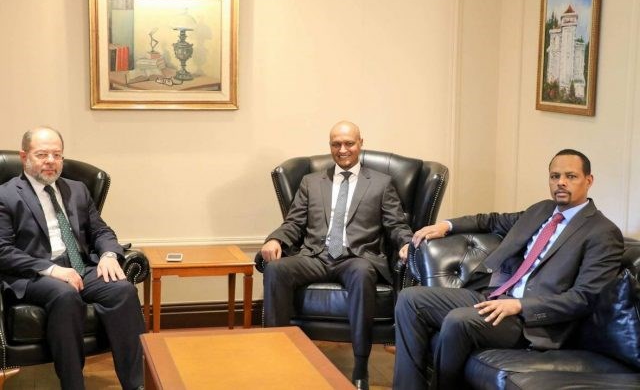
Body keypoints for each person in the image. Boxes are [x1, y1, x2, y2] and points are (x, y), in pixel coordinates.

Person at [393, 149, 624, 390]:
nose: (561, 182)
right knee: (410, 299)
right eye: (555, 176)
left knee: (459, 320)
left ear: (589, 180)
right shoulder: (542, 210)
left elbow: (585, 298)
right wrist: (446, 225)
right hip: (494, 295)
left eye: (571, 176)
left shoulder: (602, 232)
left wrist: (519, 305)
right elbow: (491, 220)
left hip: (530, 320)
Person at [261, 121, 412, 389]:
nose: (342, 150)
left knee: (362, 272)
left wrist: (407, 244)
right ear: (330, 146)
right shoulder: (311, 182)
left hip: (356, 258)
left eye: (349, 143)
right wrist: (275, 239)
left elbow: (396, 225)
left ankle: (361, 367)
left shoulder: (381, 183)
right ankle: (278, 356)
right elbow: (294, 223)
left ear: (360, 143)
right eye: (336, 144)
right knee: (275, 269)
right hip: (315, 256)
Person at [0, 127, 144, 390]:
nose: (50, 161)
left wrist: (108, 255)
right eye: (42, 154)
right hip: (35, 274)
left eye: (57, 155)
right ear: (24, 157)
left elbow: (101, 231)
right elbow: (3, 250)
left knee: (122, 290)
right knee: (65, 294)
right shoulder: (6, 195)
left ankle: (137, 385)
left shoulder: (77, 190)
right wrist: (52, 270)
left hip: (80, 266)